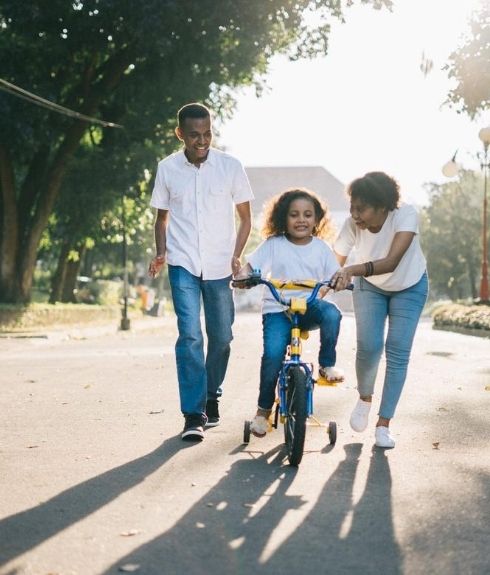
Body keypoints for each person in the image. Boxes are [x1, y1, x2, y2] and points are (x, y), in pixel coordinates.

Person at [148, 102, 254, 441]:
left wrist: (237, 255)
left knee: (222, 337)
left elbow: (246, 217)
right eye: (194, 135)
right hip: (182, 263)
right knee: (191, 335)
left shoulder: (230, 166)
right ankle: (193, 413)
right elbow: (161, 218)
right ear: (180, 134)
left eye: (207, 133)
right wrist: (162, 252)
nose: (202, 141)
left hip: (221, 265)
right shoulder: (167, 168)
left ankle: (212, 395)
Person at [234, 188, 344, 437]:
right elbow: (250, 268)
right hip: (278, 308)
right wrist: (243, 277)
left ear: (317, 220)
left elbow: (333, 276)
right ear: (284, 218)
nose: (301, 219)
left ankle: (327, 365)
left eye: (308, 214)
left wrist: (337, 281)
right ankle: (262, 412)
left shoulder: (322, 248)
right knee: (273, 355)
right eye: (294, 214)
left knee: (332, 314)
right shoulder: (274, 245)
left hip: (309, 307)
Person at [331, 171, 428, 449]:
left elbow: (392, 262)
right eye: (352, 207)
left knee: (397, 351)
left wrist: (350, 270)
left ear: (383, 206)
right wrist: (324, 285)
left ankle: (384, 425)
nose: (355, 214)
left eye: (361, 208)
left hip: (409, 285)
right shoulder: (352, 225)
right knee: (369, 347)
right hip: (370, 287)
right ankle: (364, 398)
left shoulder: (405, 215)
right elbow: (333, 263)